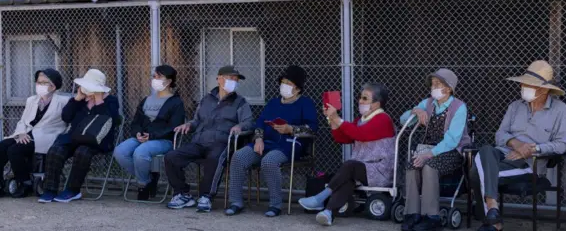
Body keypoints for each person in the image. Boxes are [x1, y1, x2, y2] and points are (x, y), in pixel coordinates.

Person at [469, 60, 566, 231]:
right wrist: (516, 144)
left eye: (530, 85)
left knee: (475, 171)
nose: (524, 87)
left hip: (529, 164)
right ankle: (492, 208)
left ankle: (492, 220)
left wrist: (533, 149)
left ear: (545, 89)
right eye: (524, 83)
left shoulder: (560, 110)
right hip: (503, 154)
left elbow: (562, 144)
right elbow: (499, 135)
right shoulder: (515, 106)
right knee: (486, 150)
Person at [225, 65, 318, 217]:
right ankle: (236, 202)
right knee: (239, 157)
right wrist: (259, 139)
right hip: (266, 143)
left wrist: (291, 129)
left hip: (289, 146)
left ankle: (275, 205)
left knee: (269, 161)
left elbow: (312, 128)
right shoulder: (274, 103)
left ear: (298, 88)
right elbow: (260, 122)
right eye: (283, 82)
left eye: (288, 83)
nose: (284, 85)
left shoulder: (305, 104)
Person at [298, 82, 396, 226]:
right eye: (360, 97)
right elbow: (343, 138)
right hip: (362, 168)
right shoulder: (362, 119)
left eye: (364, 98)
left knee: (350, 166)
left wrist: (337, 118)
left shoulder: (383, 119)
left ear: (376, 104)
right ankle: (328, 213)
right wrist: (332, 120)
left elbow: (360, 134)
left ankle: (320, 198)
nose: (360, 101)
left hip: (379, 170)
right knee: (348, 177)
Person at [165, 65, 253, 213]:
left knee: (214, 158)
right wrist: (188, 125)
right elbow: (196, 121)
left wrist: (240, 126)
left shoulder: (240, 102)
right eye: (230, 78)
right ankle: (182, 194)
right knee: (171, 157)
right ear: (219, 79)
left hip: (222, 142)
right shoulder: (206, 99)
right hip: (199, 141)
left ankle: (206, 196)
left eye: (236, 80)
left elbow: (249, 122)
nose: (234, 82)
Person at [399, 69, 471, 231]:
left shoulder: (459, 107)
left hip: (451, 152)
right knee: (411, 165)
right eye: (433, 84)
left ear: (449, 88)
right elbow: (403, 120)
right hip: (428, 149)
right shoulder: (428, 103)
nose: (434, 87)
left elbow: (452, 140)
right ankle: (412, 213)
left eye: (438, 84)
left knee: (429, 165)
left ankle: (431, 216)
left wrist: (428, 155)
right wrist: (415, 111)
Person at [38, 69, 120, 203]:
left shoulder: (111, 101)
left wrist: (99, 100)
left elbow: (112, 121)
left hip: (96, 141)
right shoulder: (79, 100)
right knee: (56, 150)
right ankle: (50, 190)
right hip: (74, 137)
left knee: (82, 151)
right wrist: (76, 99)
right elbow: (66, 117)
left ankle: (73, 190)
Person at [114, 65, 185, 201]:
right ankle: (148, 179)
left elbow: (174, 126)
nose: (155, 79)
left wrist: (151, 137)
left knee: (140, 152)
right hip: (142, 137)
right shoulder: (146, 100)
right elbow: (136, 121)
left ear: (169, 81)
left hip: (163, 140)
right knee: (120, 151)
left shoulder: (176, 102)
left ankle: (142, 185)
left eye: (159, 77)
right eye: (154, 76)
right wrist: (138, 133)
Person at [0, 69, 69, 198]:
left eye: (44, 83)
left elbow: (65, 123)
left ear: (53, 86)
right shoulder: (31, 100)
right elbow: (23, 120)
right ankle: (0, 185)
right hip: (27, 133)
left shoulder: (63, 101)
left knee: (15, 150)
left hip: (47, 136)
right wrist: (21, 133)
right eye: (38, 82)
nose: (39, 85)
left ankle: (24, 183)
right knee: (2, 146)